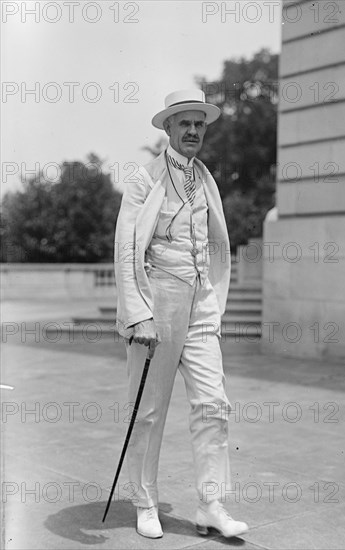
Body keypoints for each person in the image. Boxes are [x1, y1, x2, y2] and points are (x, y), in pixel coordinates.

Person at [114, 89, 248, 539]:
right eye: (184, 123)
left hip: (201, 298)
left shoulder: (206, 178)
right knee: (149, 410)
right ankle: (145, 501)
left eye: (199, 124)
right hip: (160, 298)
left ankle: (211, 503)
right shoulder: (144, 178)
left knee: (214, 403)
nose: (193, 131)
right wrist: (140, 314)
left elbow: (214, 242)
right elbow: (127, 249)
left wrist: (208, 292)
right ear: (168, 128)